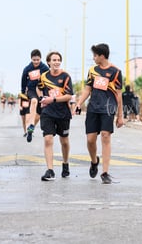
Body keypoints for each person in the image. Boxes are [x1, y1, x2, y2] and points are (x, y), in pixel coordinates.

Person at [74, 43, 124, 184]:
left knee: (105, 136)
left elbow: (119, 95)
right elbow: (87, 90)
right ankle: (94, 161)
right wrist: (79, 103)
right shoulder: (92, 70)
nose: (93, 58)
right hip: (93, 109)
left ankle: (105, 172)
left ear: (102, 56)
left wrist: (120, 116)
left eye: (95, 55)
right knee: (90, 140)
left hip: (108, 109)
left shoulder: (116, 72)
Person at [37, 51, 73, 180]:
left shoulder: (65, 76)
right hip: (48, 113)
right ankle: (50, 170)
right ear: (48, 62)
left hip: (63, 113)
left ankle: (65, 163)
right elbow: (39, 87)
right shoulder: (44, 76)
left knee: (64, 141)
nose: (56, 62)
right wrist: (42, 97)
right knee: (48, 139)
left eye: (58, 60)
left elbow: (69, 95)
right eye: (54, 60)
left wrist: (52, 99)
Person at [21, 49, 49, 143]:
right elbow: (23, 82)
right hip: (31, 90)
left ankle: (31, 128)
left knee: (39, 114)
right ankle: (31, 123)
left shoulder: (44, 68)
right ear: (31, 59)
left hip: (42, 90)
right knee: (34, 101)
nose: (36, 62)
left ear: (40, 59)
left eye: (38, 60)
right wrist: (23, 93)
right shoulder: (27, 68)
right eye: (34, 60)